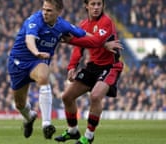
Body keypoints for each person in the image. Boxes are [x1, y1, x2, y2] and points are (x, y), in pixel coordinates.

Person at [7, 0, 87, 139]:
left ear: (58, 12)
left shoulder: (63, 25)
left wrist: (103, 41)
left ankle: (46, 124)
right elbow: (29, 40)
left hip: (37, 62)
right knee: (19, 104)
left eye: (49, 10)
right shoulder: (34, 20)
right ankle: (29, 117)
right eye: (44, 9)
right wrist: (36, 51)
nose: (45, 12)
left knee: (44, 77)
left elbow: (83, 35)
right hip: (18, 63)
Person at [54, 0, 124, 144]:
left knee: (95, 96)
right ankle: (73, 131)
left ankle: (88, 136)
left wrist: (70, 41)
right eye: (93, 4)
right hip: (92, 66)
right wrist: (72, 66)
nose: (96, 7)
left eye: (99, 4)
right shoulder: (84, 25)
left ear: (103, 6)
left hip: (110, 66)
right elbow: (80, 48)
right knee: (67, 96)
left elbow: (96, 42)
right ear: (86, 6)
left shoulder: (106, 22)